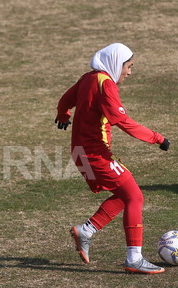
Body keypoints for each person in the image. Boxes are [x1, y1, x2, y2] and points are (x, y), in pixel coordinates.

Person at [56, 43, 171, 274]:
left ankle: (86, 231)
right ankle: (134, 259)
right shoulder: (105, 84)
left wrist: (63, 114)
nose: (129, 72)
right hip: (95, 154)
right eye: (128, 66)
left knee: (125, 194)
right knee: (135, 197)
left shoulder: (89, 78)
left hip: (80, 154)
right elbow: (123, 122)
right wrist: (158, 138)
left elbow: (65, 99)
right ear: (116, 64)